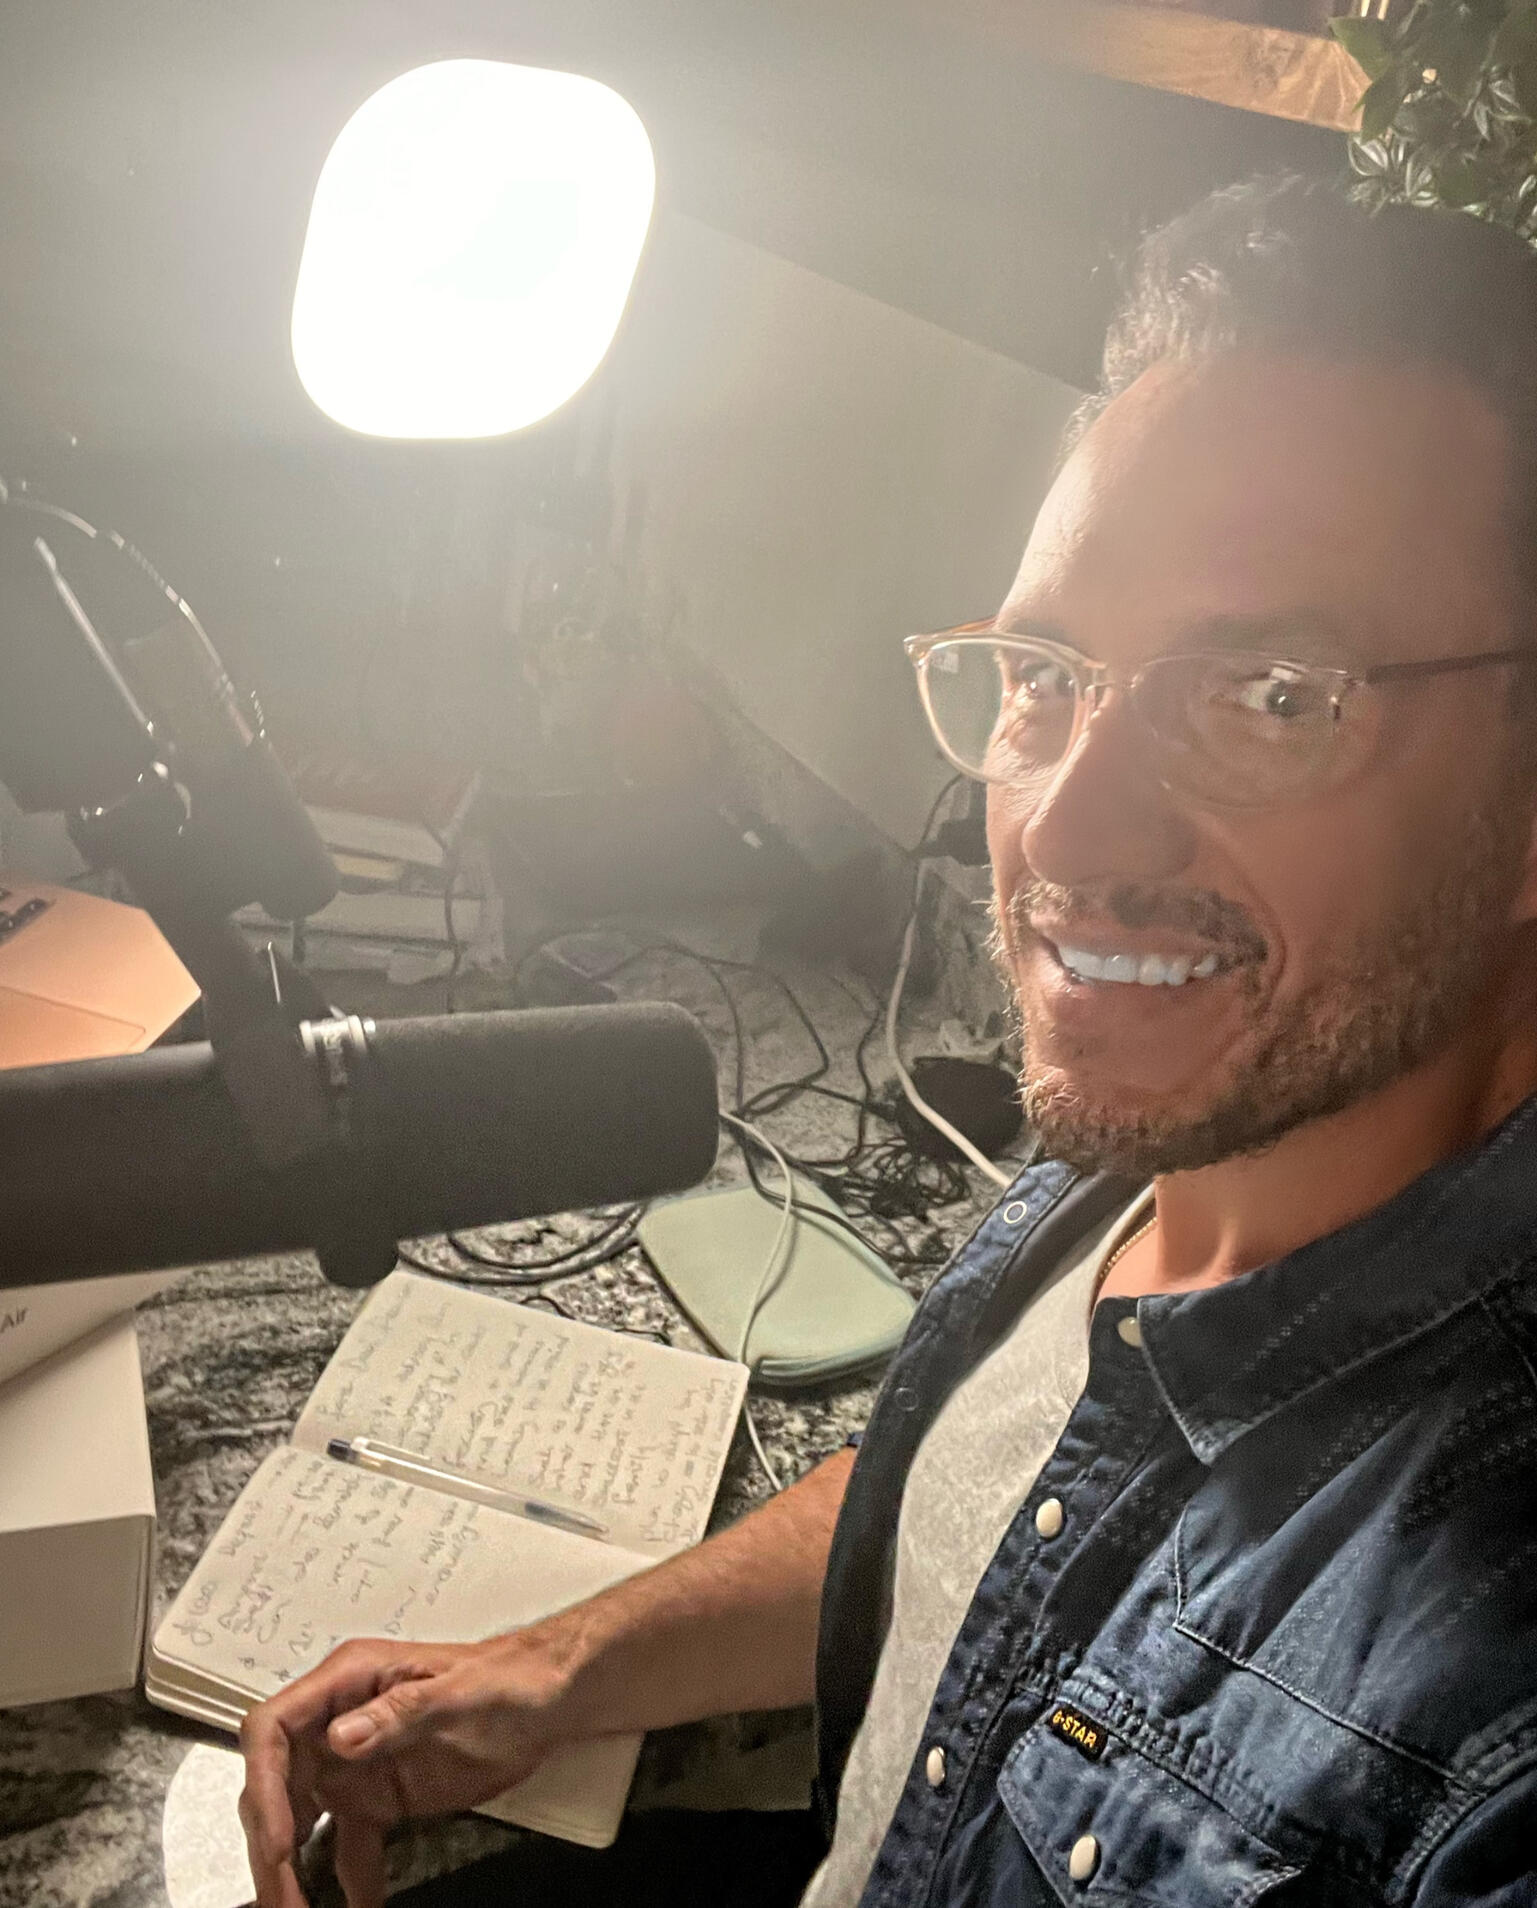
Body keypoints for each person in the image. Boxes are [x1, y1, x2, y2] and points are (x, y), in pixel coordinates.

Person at [239, 173, 1537, 1907]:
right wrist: (561, 1666)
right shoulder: (1171, 1137)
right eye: (1045, 672)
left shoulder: (1486, 1722)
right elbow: (989, 1485)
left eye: (1271, 698)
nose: (1066, 826)